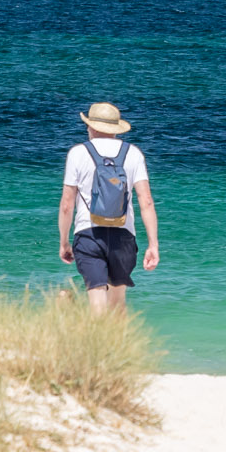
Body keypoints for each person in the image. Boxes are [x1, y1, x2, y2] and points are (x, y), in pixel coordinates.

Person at [58, 102, 160, 315]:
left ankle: (98, 346)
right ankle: (119, 347)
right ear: (115, 128)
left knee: (97, 302)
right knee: (118, 302)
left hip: (89, 234)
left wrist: (64, 242)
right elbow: (146, 201)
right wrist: (153, 244)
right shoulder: (133, 153)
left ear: (92, 127)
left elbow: (67, 204)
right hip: (123, 236)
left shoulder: (78, 153)